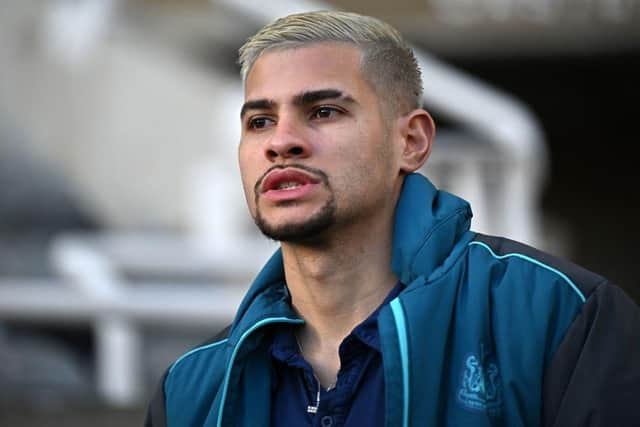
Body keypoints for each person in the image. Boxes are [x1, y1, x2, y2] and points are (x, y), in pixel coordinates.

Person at [146, 11, 640, 427]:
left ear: (412, 142)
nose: (281, 141)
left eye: (323, 111)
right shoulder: (191, 390)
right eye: (259, 121)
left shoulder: (562, 318)